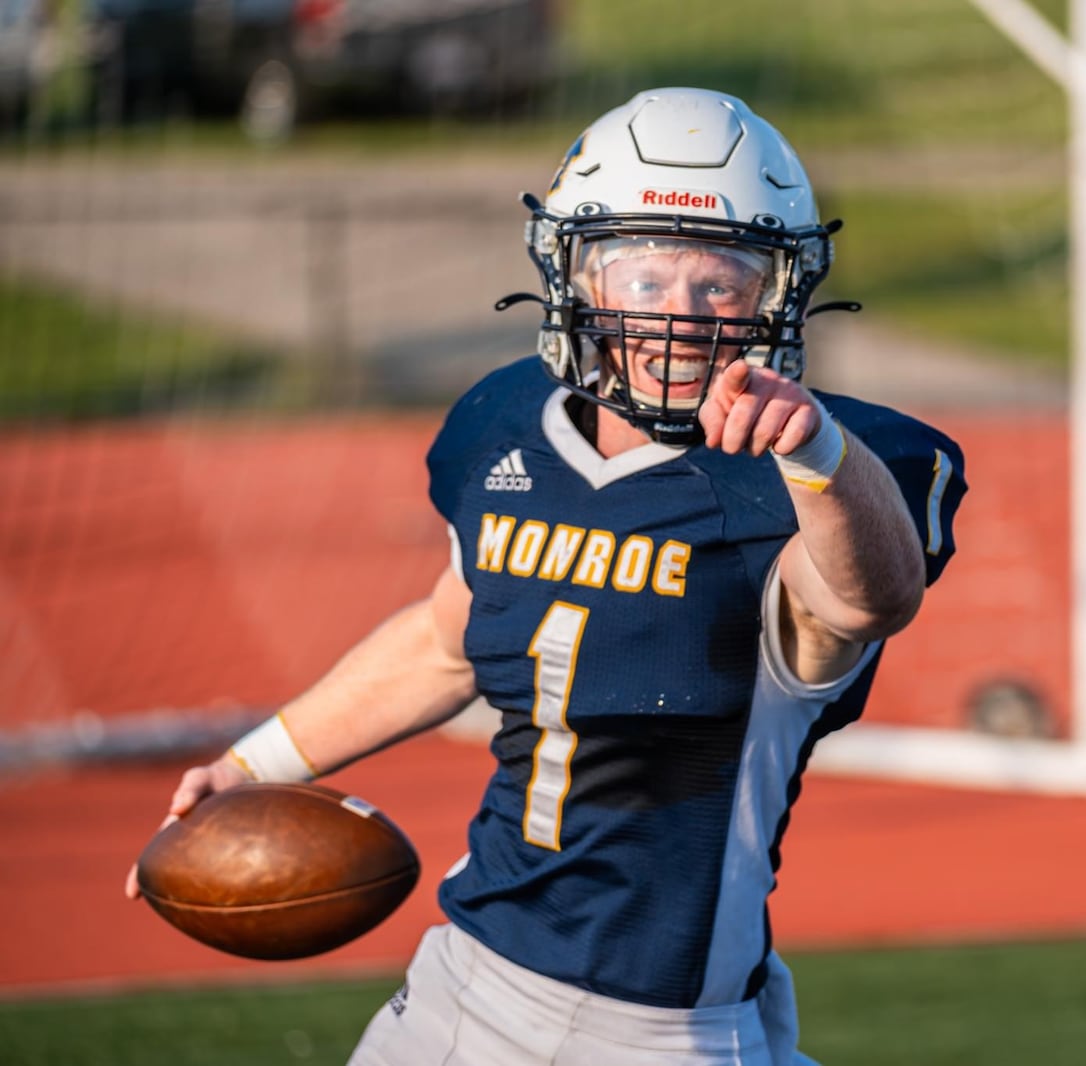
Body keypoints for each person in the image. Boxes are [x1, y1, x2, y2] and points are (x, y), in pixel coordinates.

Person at [125, 87, 966, 1065]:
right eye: (643, 279)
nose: (678, 319)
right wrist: (254, 765)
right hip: (463, 974)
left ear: (776, 295)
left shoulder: (807, 484)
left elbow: (874, 595)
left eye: (720, 283)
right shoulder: (505, 427)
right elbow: (445, 643)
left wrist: (817, 448)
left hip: (660, 1031)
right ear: (573, 275)